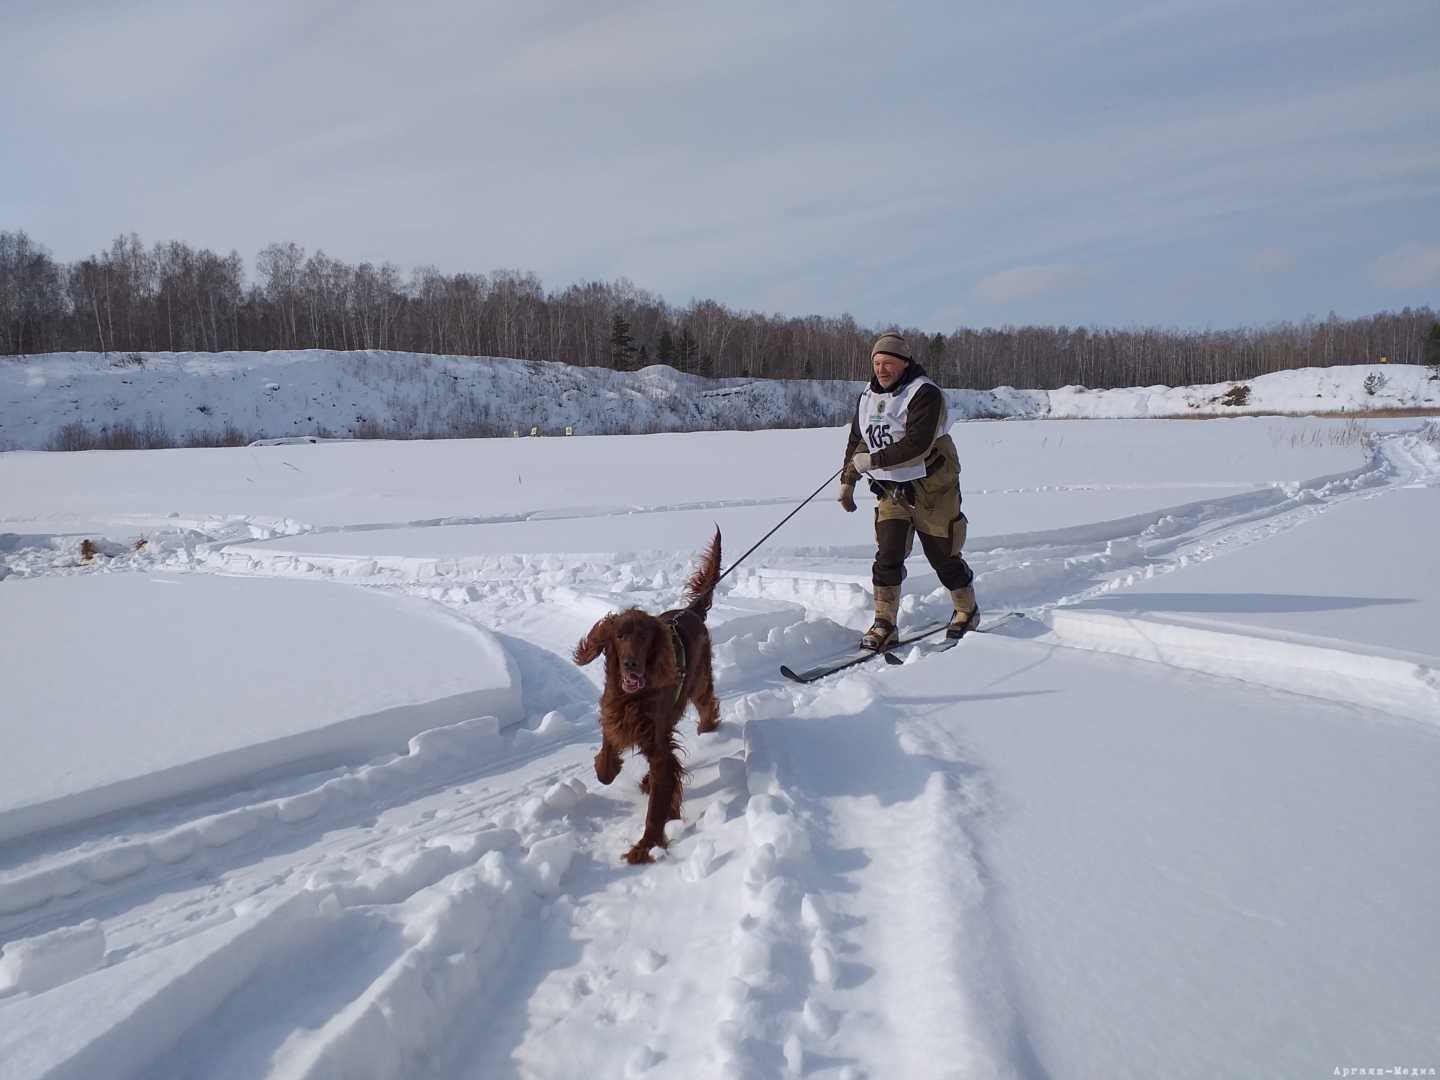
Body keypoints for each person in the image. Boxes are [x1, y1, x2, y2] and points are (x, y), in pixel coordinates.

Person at [838, 333, 978, 650]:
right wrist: (848, 479)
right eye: (876, 363)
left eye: (888, 362)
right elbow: (857, 440)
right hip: (891, 491)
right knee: (887, 555)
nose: (881, 369)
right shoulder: (867, 398)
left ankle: (967, 610)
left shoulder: (924, 393)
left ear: (904, 363)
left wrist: (870, 461)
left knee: (943, 556)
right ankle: (884, 624)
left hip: (933, 490)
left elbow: (917, 444)